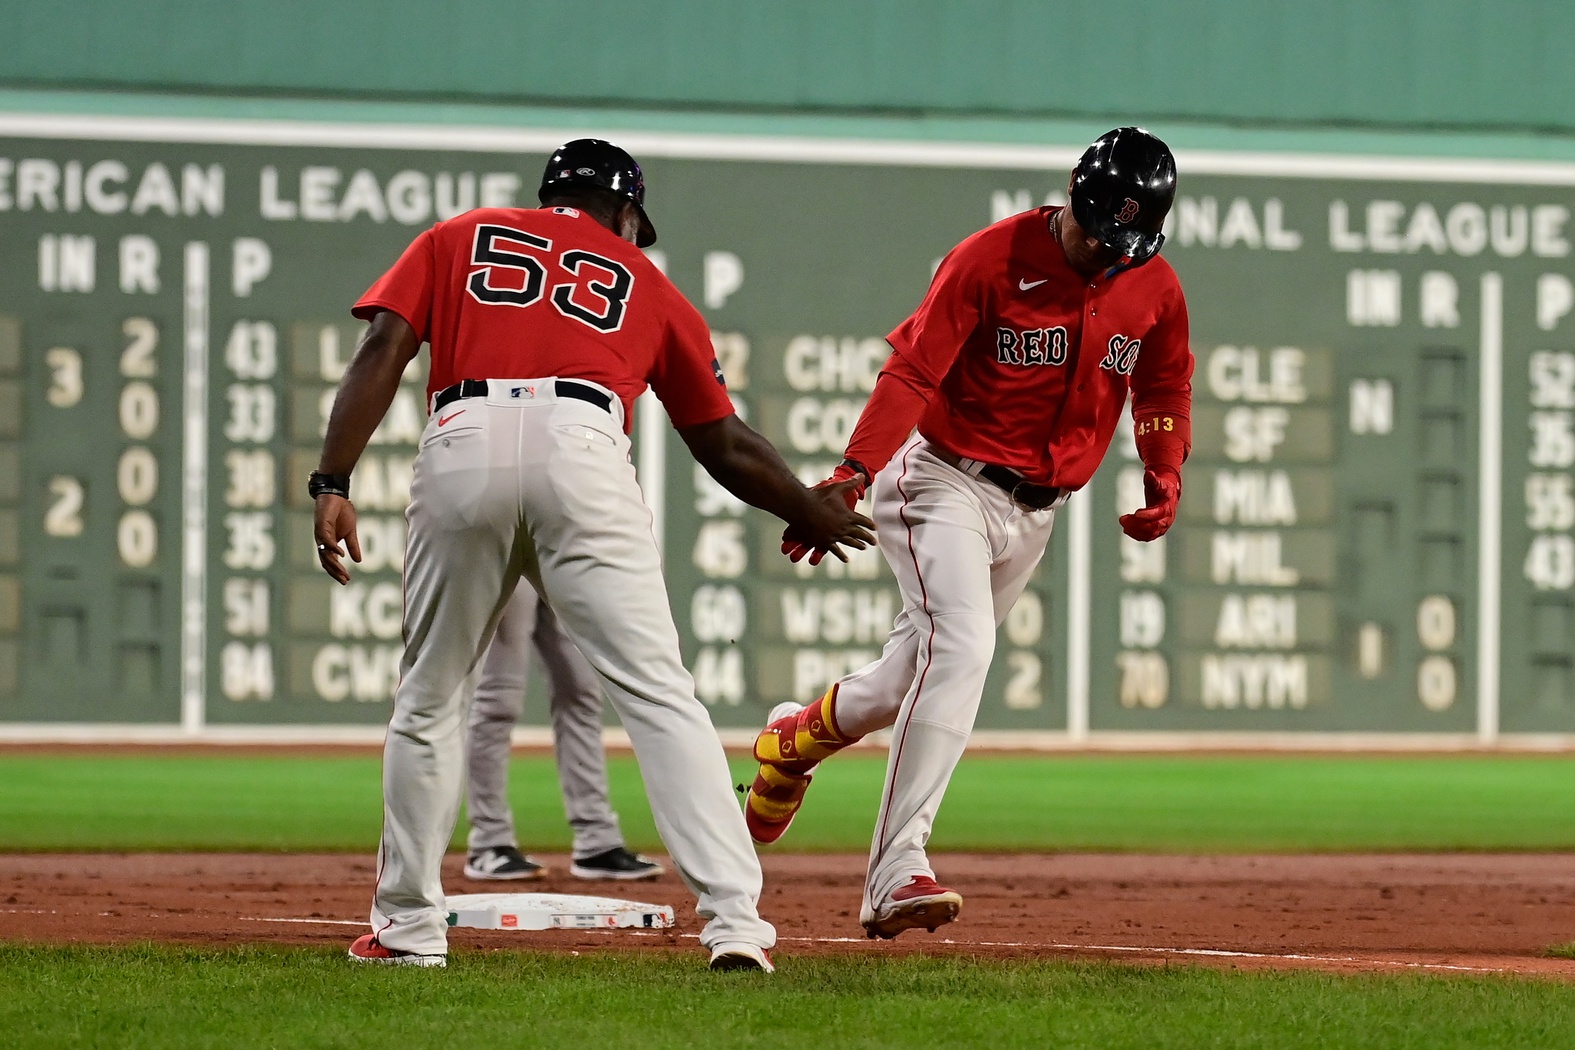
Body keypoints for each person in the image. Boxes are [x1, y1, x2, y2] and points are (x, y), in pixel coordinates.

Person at [311, 138, 873, 971]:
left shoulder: (458, 235)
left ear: (548, 197)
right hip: (583, 443)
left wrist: (332, 479)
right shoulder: (645, 281)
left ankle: (406, 929)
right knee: (657, 695)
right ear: (626, 214)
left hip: (463, 435)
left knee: (430, 698)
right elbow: (721, 441)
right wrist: (806, 506)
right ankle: (735, 925)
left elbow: (382, 351)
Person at [744, 127, 1193, 939]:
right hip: (940, 482)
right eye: (1097, 229)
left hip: (1035, 511)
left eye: (1124, 238)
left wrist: (1164, 466)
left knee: (905, 678)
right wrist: (855, 468)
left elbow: (1163, 382)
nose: (1106, 249)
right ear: (1073, 198)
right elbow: (913, 369)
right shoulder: (989, 259)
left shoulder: (1152, 284)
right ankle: (896, 872)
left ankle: (791, 740)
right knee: (963, 649)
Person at [462, 577, 663, 883]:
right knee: (498, 698)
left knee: (581, 689)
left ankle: (597, 842)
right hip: (507, 546)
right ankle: (489, 842)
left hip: (556, 548)